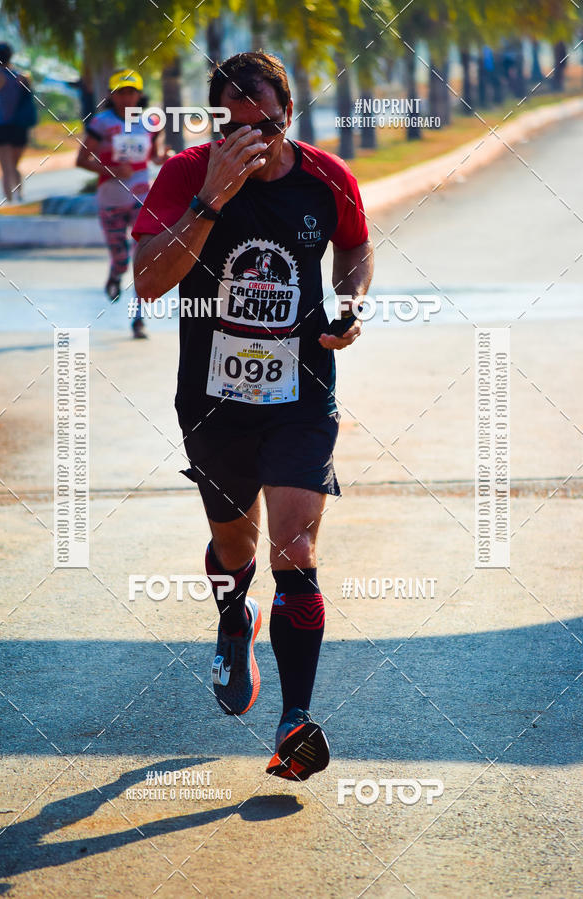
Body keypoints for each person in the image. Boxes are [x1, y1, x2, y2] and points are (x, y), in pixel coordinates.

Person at [132, 52, 373, 780]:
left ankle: (295, 722)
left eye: (265, 123)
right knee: (235, 549)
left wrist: (349, 303)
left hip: (301, 396)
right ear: (216, 124)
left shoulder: (327, 178)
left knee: (293, 550)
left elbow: (356, 247)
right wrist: (211, 197)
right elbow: (147, 282)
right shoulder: (186, 174)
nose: (252, 138)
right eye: (233, 126)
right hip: (213, 403)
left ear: (288, 115)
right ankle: (234, 617)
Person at [76, 68, 170, 338]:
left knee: (143, 260)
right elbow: (82, 160)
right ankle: (116, 274)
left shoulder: (151, 122)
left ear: (139, 95)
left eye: (131, 92)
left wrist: (165, 157)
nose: (126, 98)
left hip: (141, 199)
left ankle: (139, 318)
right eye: (121, 93)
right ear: (112, 96)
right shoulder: (101, 123)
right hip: (110, 200)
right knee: (121, 258)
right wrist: (112, 170)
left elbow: (155, 156)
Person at [0, 41, 34, 204]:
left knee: (5, 167)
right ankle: (19, 196)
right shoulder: (24, 77)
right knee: (14, 165)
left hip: (0, 125)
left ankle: (10, 201)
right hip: (19, 126)